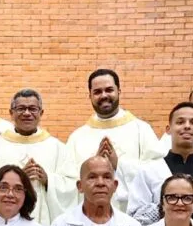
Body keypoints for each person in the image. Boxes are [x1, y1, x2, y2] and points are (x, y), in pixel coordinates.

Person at [67, 69, 165, 211]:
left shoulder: (141, 130)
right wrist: (94, 167)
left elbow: (158, 173)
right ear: (90, 95)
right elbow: (69, 181)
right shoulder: (77, 137)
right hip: (89, 217)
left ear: (119, 91)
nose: (104, 95)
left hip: (131, 216)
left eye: (109, 90)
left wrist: (119, 165)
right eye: (97, 92)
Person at [0, 88, 77, 226]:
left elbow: (73, 186)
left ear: (41, 112)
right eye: (21, 108)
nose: (27, 113)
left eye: (32, 108)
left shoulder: (58, 148)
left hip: (45, 224)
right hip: (5, 224)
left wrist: (48, 179)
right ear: (11, 113)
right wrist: (19, 179)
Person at [129, 102, 193, 226]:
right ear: (168, 129)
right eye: (180, 122)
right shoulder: (148, 171)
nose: (187, 126)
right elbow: (135, 217)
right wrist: (166, 207)